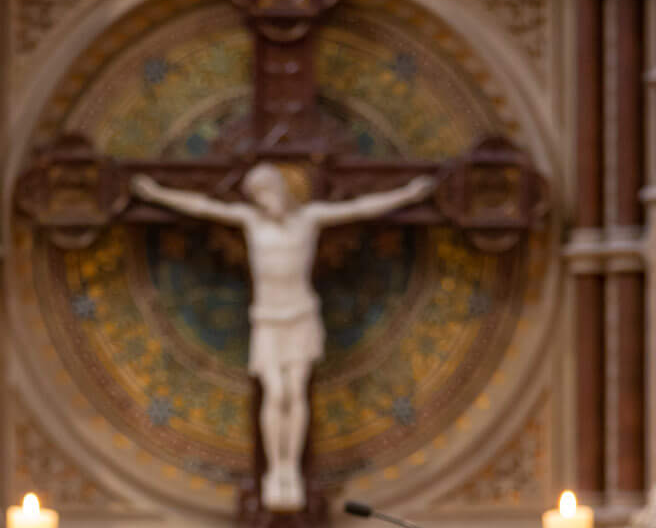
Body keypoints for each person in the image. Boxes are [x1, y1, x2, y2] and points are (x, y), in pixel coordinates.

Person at [133, 161, 433, 509]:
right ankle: (276, 469)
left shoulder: (309, 218)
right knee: (275, 394)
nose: (265, 200)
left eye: (268, 192)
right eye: (258, 196)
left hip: (301, 315)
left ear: (282, 189)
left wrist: (407, 195)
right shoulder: (250, 221)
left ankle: (292, 468)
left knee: (296, 392)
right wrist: (157, 194)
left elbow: (360, 209)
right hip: (268, 320)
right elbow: (202, 207)